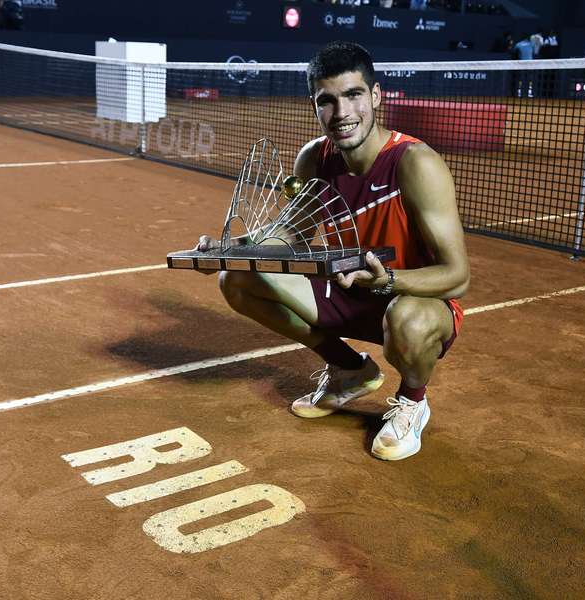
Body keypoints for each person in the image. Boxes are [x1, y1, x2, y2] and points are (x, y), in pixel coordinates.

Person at [196, 41, 470, 461]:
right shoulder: (314, 158)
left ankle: (413, 401)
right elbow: (290, 234)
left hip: (410, 299)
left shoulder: (415, 163)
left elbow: (457, 275)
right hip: (347, 289)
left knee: (408, 319)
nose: (341, 113)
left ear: (375, 96)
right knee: (236, 279)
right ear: (315, 105)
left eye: (353, 95)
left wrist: (389, 281)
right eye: (327, 100)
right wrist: (232, 250)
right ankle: (349, 370)